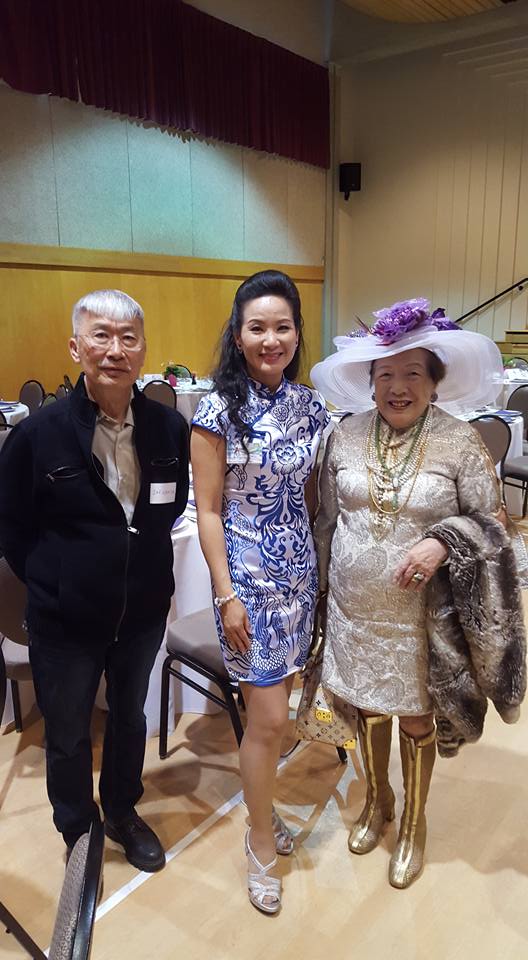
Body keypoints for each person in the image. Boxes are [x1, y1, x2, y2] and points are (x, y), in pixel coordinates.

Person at [311, 298, 525, 889]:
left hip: (421, 618)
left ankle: (413, 822)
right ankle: (377, 800)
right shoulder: (344, 435)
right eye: (385, 374)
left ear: (434, 382)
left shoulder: (460, 442)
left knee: (413, 716)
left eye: (412, 374)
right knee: (366, 707)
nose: (397, 387)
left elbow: (496, 526)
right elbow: (326, 519)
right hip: (354, 610)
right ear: (370, 381)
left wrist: (443, 541)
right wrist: (319, 596)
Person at [0, 289, 189, 871]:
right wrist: (58, 582)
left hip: (141, 612)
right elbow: (12, 528)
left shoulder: (167, 427)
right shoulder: (40, 433)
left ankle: (123, 812)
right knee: (67, 731)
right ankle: (79, 829)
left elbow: (169, 507)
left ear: (144, 350)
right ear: (75, 346)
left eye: (128, 338)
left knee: (129, 719)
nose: (115, 350)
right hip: (65, 619)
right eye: (101, 336)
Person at [191, 270, 330, 914]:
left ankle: (262, 806)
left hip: (298, 576)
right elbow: (207, 510)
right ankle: (259, 840)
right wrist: (225, 595)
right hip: (246, 582)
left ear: (296, 333)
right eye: (257, 328)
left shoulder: (310, 406)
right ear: (238, 334)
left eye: (282, 327)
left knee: (277, 720)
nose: (270, 339)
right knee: (270, 720)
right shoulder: (217, 407)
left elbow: (313, 496)